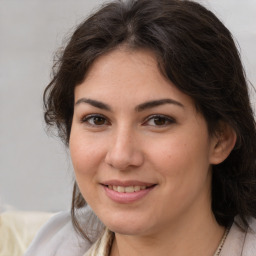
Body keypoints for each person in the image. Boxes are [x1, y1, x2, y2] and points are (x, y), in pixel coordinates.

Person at [24, 0, 256, 255]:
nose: (121, 156)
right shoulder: (52, 245)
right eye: (97, 119)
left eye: (158, 120)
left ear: (220, 139)